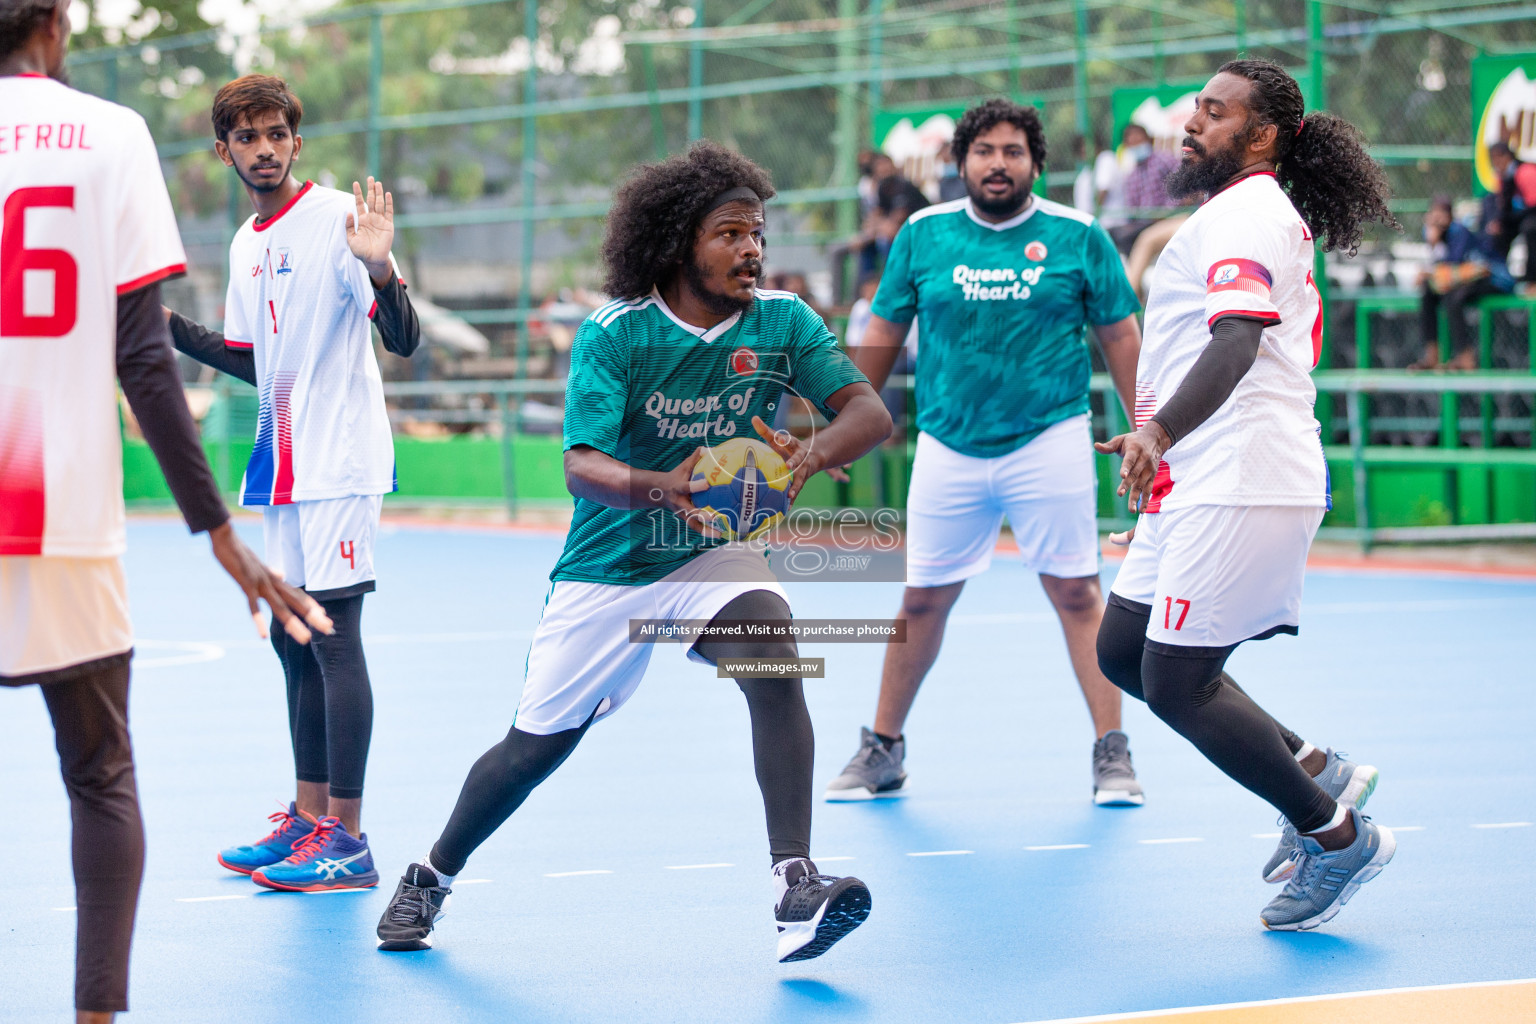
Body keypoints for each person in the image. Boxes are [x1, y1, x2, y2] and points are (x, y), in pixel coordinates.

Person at [374, 142, 892, 962]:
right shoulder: (616, 334)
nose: (751, 249)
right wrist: (665, 485)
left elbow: (869, 412)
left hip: (709, 555)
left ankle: (795, 885)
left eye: (757, 232)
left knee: (776, 660)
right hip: (609, 564)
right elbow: (580, 467)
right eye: (730, 233)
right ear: (678, 239)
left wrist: (811, 453)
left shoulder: (783, 323)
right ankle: (431, 875)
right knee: (532, 750)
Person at [0, 4, 329, 1019]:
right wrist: (218, 530)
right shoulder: (109, 133)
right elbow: (142, 355)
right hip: (49, 500)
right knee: (100, 775)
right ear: (55, 26)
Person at [1093, 58, 1400, 931]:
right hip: (1198, 474)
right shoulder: (1230, 213)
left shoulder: (1247, 213)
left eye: (1216, 113)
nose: (1194, 124)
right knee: (1124, 651)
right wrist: (1159, 438)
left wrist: (1157, 431)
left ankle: (1338, 837)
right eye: (1197, 109)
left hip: (1240, 473)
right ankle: (1314, 765)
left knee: (1179, 682)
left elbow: (1233, 342)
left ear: (1261, 136)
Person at [828, 99, 1148, 806]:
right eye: (984, 151)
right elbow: (882, 331)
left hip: (1051, 435)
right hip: (948, 444)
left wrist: (1148, 427)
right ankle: (883, 748)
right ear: (960, 162)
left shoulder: (1079, 235)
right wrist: (841, 424)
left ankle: (1112, 753)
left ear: (1035, 163)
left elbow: (1121, 336)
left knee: (1076, 591)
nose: (997, 164)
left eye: (1012, 151)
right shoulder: (922, 234)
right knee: (922, 599)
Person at [164, 74, 422, 892]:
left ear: (295, 141)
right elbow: (254, 361)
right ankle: (309, 820)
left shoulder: (342, 219)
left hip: (339, 458)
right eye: (248, 137)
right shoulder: (246, 243)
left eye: (277, 133)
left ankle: (349, 836)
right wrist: (168, 329)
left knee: (335, 637)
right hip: (284, 460)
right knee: (291, 637)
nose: (265, 148)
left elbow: (405, 339)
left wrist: (380, 272)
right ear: (224, 151)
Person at [1409, 195, 1514, 371]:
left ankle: (1465, 357)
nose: (1436, 219)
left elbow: (1455, 266)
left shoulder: (1458, 231)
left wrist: (1432, 266)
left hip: (1494, 278)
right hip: (1468, 280)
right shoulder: (1433, 234)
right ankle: (1432, 355)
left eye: (1440, 215)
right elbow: (1441, 269)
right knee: (1428, 292)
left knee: (1454, 297)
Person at [1109, 123, 1180, 255]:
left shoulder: (1164, 160)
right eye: (1132, 143)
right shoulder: (1131, 175)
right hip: (1143, 222)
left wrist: (1165, 213)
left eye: (1139, 141)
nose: (1136, 146)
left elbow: (1181, 188)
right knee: (1112, 234)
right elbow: (1132, 209)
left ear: (1148, 140)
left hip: (1167, 218)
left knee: (1126, 237)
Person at [1486, 141, 1536, 295]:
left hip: (1531, 216)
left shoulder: (1525, 171)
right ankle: (1500, 277)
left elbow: (1533, 205)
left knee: (1530, 228)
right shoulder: (1503, 177)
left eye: (1497, 158)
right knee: (1498, 234)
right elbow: (1504, 207)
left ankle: (1532, 279)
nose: (1495, 163)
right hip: (1520, 217)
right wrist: (1499, 223)